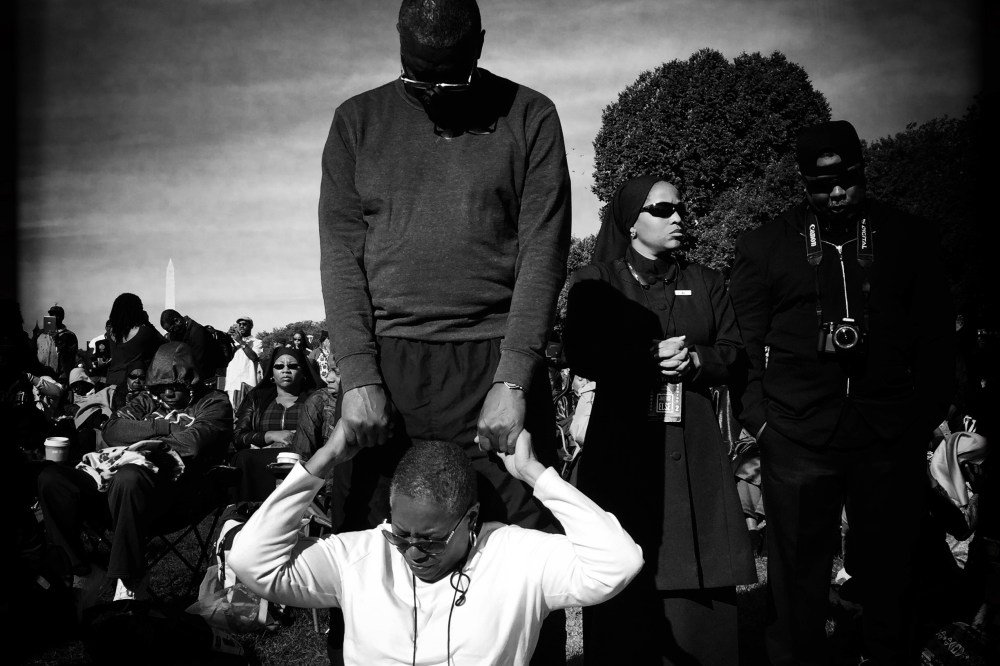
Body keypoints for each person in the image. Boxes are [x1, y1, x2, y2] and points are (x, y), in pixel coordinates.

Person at [319, 3, 570, 656]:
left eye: (448, 80)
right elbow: (340, 256)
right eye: (417, 77)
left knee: (522, 553)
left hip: (492, 362)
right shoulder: (356, 122)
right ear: (398, 45)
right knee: (368, 552)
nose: (432, 94)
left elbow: (543, 251)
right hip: (389, 370)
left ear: (480, 45)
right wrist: (358, 375)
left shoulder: (531, 116)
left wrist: (515, 377)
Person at [728, 120, 955, 665]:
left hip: (887, 433)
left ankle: (888, 654)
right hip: (795, 434)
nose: (835, 193)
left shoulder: (909, 237)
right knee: (795, 575)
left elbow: (937, 338)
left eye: (846, 180)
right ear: (803, 181)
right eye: (820, 184)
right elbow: (743, 343)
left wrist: (921, 417)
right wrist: (760, 422)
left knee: (891, 568)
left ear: (862, 171)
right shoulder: (765, 245)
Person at [229, 426, 642, 666]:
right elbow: (251, 562)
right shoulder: (357, 555)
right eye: (400, 534)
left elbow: (619, 563)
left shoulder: (516, 556)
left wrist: (535, 473)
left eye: (431, 540)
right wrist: (325, 459)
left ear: (472, 519)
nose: (412, 553)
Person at [565, 175, 756, 664]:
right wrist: (643, 355)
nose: (678, 218)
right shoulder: (595, 281)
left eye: (680, 209)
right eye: (663, 210)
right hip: (623, 444)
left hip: (694, 442)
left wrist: (698, 361)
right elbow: (580, 350)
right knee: (627, 564)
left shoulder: (706, 280)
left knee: (702, 565)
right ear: (631, 222)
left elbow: (735, 350)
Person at [36, 342, 233, 609]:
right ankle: (80, 570)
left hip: (173, 495)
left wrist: (142, 437)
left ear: (192, 380)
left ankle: (129, 580)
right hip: (114, 490)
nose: (168, 392)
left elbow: (194, 443)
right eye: (161, 386)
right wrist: (163, 426)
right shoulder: (147, 400)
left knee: (129, 476)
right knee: (52, 478)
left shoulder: (214, 401)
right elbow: (113, 430)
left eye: (176, 386)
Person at [230, 347, 321, 501]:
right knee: (243, 458)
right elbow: (239, 437)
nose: (285, 370)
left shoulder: (316, 399)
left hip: (302, 461)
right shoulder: (257, 399)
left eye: (292, 366)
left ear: (303, 372)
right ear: (271, 373)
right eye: (279, 366)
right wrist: (270, 435)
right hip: (263, 459)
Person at [105, 293, 165, 387]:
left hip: (112, 379)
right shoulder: (144, 332)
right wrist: (147, 322)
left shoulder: (111, 332)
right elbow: (165, 344)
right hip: (133, 381)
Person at [160, 309, 216, 383]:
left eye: (172, 329)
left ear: (177, 321)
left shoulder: (197, 333)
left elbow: (198, 364)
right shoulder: (177, 334)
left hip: (202, 377)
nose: (171, 333)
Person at [225, 316, 263, 411]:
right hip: (233, 383)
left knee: (247, 412)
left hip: (248, 383)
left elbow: (254, 357)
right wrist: (226, 338)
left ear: (251, 326)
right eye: (240, 324)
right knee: (233, 413)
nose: (241, 326)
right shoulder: (232, 342)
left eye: (244, 324)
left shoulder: (257, 342)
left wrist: (241, 341)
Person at [35, 304, 78, 385]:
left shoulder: (69, 335)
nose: (54, 317)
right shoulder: (40, 334)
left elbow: (71, 355)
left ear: (62, 317)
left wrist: (58, 340)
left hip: (60, 377)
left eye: (57, 315)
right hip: (42, 375)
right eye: (52, 315)